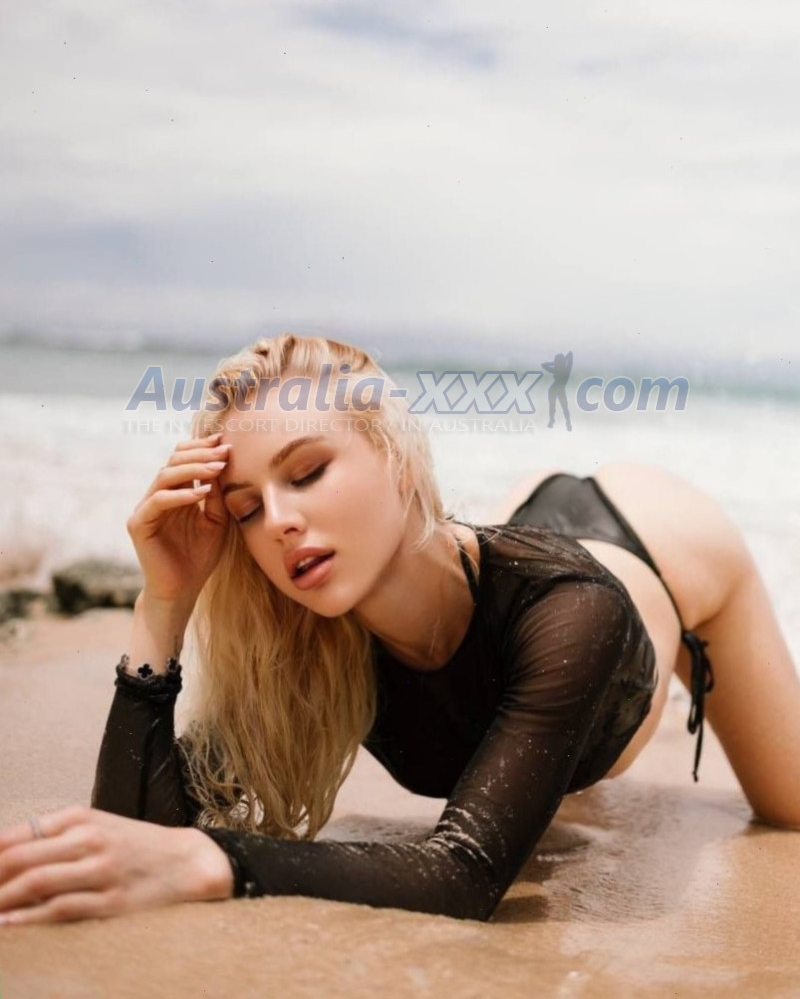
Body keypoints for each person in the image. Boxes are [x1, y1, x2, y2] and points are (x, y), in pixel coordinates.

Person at [1, 332, 798, 926]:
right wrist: (163, 605)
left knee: (790, 809)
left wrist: (218, 858)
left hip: (661, 545)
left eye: (308, 472)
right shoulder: (310, 640)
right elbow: (133, 839)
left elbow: (464, 874)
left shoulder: (573, 613)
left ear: (396, 455)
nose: (280, 520)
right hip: (494, 540)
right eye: (245, 508)